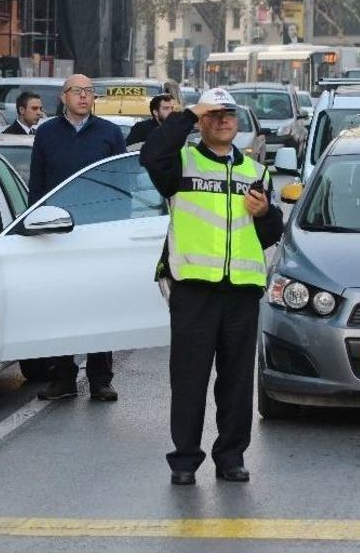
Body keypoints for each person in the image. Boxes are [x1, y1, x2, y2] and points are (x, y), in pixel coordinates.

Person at [140, 88, 284, 486]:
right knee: (189, 380)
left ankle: (231, 456)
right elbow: (150, 154)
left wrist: (266, 212)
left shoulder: (255, 172)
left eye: (229, 115)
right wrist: (187, 113)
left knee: (237, 382)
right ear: (201, 121)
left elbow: (272, 234)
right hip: (194, 291)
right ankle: (184, 461)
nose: (223, 121)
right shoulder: (180, 164)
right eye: (214, 114)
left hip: (241, 291)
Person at [29, 74, 127, 402]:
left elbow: (123, 181)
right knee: (62, 305)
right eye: (77, 92)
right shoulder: (47, 133)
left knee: (100, 303)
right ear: (64, 96)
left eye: (89, 92)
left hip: (100, 231)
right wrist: (35, 223)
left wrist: (122, 226)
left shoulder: (110, 134)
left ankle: (101, 377)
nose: (84, 97)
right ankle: (63, 376)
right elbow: (37, 184)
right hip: (58, 231)